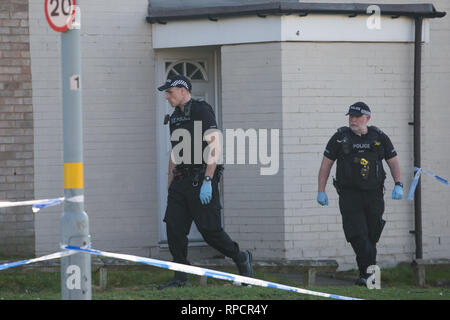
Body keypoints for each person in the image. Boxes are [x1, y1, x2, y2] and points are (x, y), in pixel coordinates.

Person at [157, 75, 254, 289]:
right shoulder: (175, 117)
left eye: (170, 92)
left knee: (210, 232)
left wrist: (208, 180)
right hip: (181, 182)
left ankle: (241, 257)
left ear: (183, 91)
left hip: (201, 179)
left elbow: (215, 146)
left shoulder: (202, 111)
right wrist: (170, 182)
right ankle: (181, 277)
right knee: (174, 229)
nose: (166, 96)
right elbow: (175, 152)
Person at [317, 102, 403, 286]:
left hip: (374, 195)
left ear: (367, 118)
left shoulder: (379, 137)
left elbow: (393, 161)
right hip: (349, 195)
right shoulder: (340, 138)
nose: (353, 120)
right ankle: (371, 275)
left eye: (357, 117)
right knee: (358, 233)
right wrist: (321, 190)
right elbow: (326, 165)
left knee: (372, 235)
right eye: (351, 117)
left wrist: (399, 184)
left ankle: (365, 275)